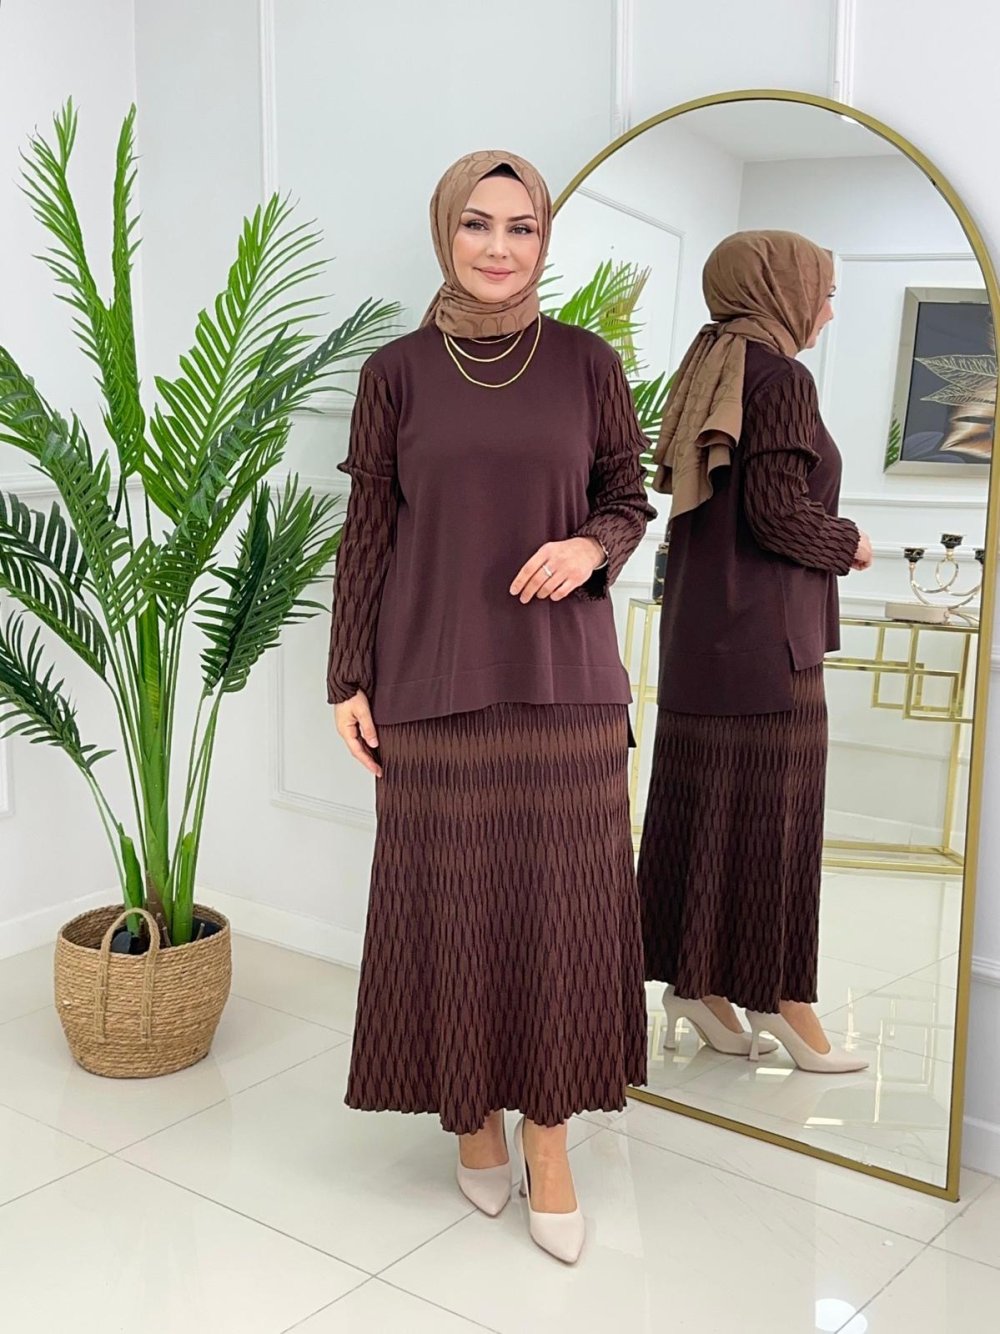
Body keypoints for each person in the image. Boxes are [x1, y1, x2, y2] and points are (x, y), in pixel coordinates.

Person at [326, 149, 656, 1263]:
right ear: (445, 232)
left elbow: (627, 497)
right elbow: (369, 532)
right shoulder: (396, 373)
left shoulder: (587, 363)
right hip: (431, 685)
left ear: (544, 238)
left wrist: (590, 546)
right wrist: (346, 676)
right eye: (478, 224)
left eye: (522, 227)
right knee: (452, 911)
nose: (500, 248)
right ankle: (470, 1114)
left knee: (562, 919)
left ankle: (548, 1141)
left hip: (567, 688)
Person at [637, 230, 872, 1074]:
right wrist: (850, 542)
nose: (829, 311)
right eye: (824, 292)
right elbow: (778, 514)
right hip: (770, 651)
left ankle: (698, 987)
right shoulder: (781, 379)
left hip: (702, 644)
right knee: (776, 829)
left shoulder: (711, 366)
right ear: (783, 289)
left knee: (707, 818)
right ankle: (780, 999)